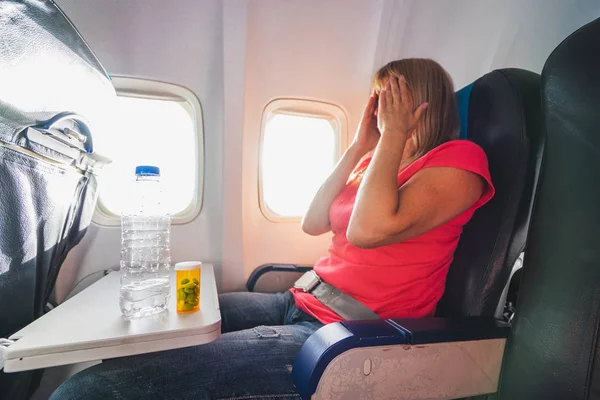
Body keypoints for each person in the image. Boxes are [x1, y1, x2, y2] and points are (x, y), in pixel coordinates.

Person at [51, 58, 494, 400]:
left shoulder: (460, 159)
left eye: (388, 100)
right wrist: (360, 146)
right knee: (146, 339)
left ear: (419, 103)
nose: (379, 112)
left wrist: (394, 135)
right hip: (298, 300)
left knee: (87, 392)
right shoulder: (373, 165)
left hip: (346, 334)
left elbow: (367, 231)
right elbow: (313, 222)